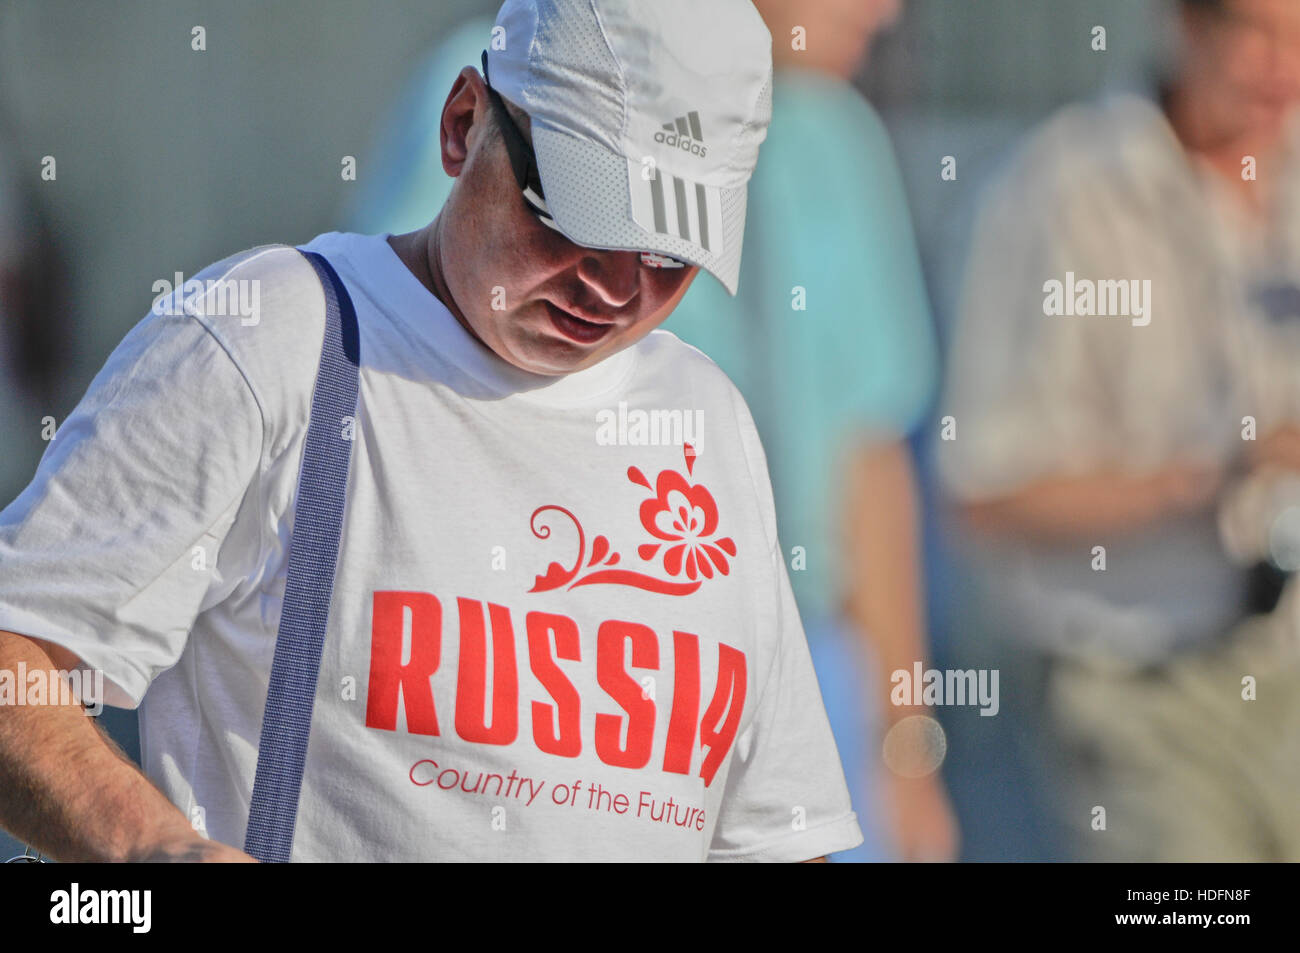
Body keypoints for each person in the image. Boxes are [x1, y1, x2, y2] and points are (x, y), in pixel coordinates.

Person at [0, 0, 864, 862]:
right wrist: (155, 849)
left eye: (670, 253)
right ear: (462, 126)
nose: (613, 286)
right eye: (582, 220)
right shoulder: (280, 338)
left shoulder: (706, 419)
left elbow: (773, 834)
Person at [938, 0, 1300, 861]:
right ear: (1183, 23)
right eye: (1258, 33)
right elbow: (983, 490)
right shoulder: (1059, 189)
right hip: (1139, 690)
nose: (1282, 67)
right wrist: (1218, 477)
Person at [661, 0, 955, 863]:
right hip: (613, 656)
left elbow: (869, 456)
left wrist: (906, 748)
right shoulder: (520, 87)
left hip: (814, 663)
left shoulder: (837, 135)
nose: (887, 9)